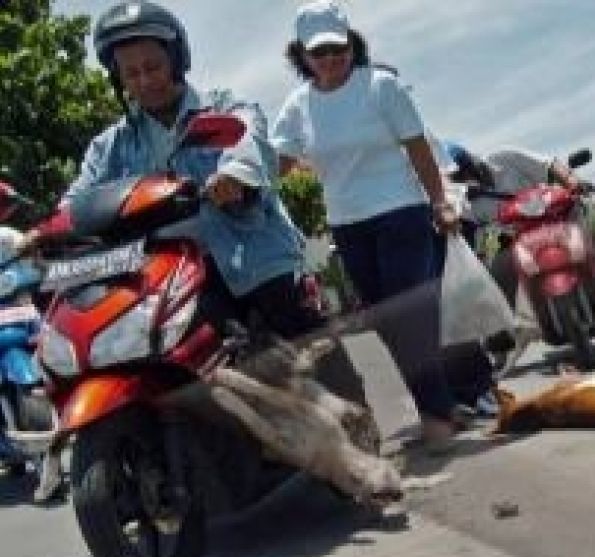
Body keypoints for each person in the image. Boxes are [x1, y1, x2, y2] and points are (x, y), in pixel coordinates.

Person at [62, 1, 367, 408]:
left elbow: (246, 143)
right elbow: (77, 201)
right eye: (131, 73)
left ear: (176, 60)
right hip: (168, 276)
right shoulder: (109, 146)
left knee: (303, 342)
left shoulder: (226, 107)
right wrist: (47, 230)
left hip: (252, 259)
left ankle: (355, 422)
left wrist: (234, 177)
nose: (144, 80)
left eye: (152, 67)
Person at [272, 0, 472, 449]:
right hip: (349, 225)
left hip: (402, 211)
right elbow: (278, 164)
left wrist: (439, 202)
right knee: (386, 321)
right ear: (302, 56)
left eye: (337, 48)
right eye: (318, 52)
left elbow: (419, 148)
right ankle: (445, 401)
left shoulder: (380, 87)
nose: (330, 59)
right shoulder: (298, 106)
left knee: (408, 312)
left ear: (352, 43)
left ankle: (438, 416)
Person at [446, 143, 595, 359]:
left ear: (472, 162)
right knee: (496, 280)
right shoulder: (462, 201)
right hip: (515, 239)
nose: (463, 178)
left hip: (559, 221)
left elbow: (550, 166)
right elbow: (467, 231)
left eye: (464, 171)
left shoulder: (506, 158)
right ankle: (499, 348)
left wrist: (572, 181)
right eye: (456, 177)